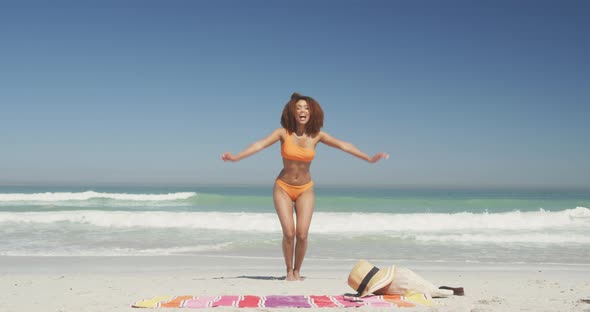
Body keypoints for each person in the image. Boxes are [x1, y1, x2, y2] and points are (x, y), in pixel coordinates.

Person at [221, 92, 389, 281]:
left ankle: (298, 270)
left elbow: (344, 145)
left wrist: (368, 158)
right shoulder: (282, 133)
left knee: (301, 234)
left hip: (305, 189)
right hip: (283, 187)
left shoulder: (317, 136)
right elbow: (258, 145)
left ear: (312, 112)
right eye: (298, 107)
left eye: (306, 108)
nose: (302, 110)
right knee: (289, 233)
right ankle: (288, 272)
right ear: (292, 112)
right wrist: (236, 157)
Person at [347, 259, 464, 298]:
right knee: (430, 289)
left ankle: (439, 290)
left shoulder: (384, 288)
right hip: (403, 274)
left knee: (429, 289)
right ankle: (439, 290)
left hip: (404, 280)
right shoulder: (401, 273)